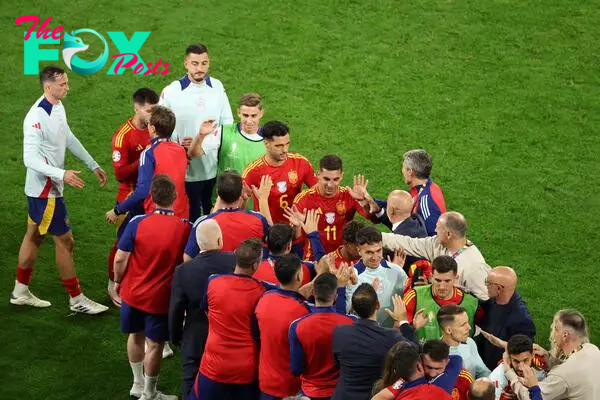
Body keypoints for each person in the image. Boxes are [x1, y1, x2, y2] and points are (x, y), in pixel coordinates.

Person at [11, 65, 108, 314]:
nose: (67, 88)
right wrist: (62, 174)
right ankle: (77, 300)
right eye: (62, 84)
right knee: (66, 241)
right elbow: (29, 160)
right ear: (48, 87)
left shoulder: (57, 106)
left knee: (34, 235)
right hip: (45, 192)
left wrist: (92, 163)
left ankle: (20, 291)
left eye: (67, 83)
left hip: (45, 189)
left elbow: (68, 136)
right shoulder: (35, 118)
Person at [114, 175, 191, 400]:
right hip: (160, 299)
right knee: (156, 344)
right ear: (175, 198)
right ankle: (149, 393)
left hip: (132, 293)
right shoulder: (184, 227)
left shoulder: (137, 222)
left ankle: (137, 383)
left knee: (135, 335)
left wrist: (118, 281)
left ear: (152, 197)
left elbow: (120, 258)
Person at [188, 239, 276, 400]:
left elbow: (206, 309)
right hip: (246, 367)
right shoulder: (264, 290)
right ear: (256, 265)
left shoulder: (214, 282)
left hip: (214, 364)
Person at [159, 43, 234, 221]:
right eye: (195, 63)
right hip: (184, 169)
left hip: (212, 166)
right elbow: (159, 128)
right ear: (186, 63)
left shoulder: (217, 87)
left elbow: (227, 123)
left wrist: (203, 144)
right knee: (188, 218)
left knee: (213, 215)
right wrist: (177, 146)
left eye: (204, 63)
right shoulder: (172, 91)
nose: (200, 68)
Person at [168, 219, 236, 398]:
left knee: (190, 382)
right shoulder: (234, 261)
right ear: (220, 241)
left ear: (198, 244)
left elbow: (176, 309)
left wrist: (175, 337)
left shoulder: (183, 271)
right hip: (228, 336)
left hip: (195, 337)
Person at [107, 87, 158, 307]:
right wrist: (147, 157)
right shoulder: (122, 136)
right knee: (123, 243)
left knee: (146, 242)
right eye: (149, 110)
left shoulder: (153, 128)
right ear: (136, 107)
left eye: (155, 110)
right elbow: (119, 174)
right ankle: (112, 284)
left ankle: (134, 281)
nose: (152, 114)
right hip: (130, 197)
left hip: (149, 195)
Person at [331, 283, 424, 400]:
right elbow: (416, 350)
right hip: (374, 396)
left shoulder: (339, 332)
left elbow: (337, 363)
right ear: (378, 305)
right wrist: (403, 322)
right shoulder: (391, 336)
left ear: (353, 307)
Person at [105, 105, 191, 223]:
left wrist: (117, 210)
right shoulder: (181, 150)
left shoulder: (149, 154)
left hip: (159, 215)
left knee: (129, 237)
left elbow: (142, 191)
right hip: (182, 215)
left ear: (153, 129)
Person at [382, 211, 490, 300]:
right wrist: (377, 237)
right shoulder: (438, 244)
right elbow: (408, 243)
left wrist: (457, 291)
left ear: (448, 234)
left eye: (438, 228)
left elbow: (485, 301)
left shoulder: (475, 266)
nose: (435, 231)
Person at [505, 309, 600, 400]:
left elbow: (531, 397)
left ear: (565, 335)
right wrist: (549, 358)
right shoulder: (592, 349)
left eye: (556, 328)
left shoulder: (561, 376)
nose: (552, 330)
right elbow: (572, 369)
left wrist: (510, 374)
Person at [293, 155, 376, 257]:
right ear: (318, 175)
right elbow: (294, 237)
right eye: (326, 179)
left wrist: (363, 201)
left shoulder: (349, 195)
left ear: (341, 176)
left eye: (335, 179)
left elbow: (374, 218)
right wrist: (297, 226)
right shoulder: (303, 200)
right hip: (313, 257)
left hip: (343, 256)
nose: (331, 185)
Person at [254, 254, 312, 399]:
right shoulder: (302, 311)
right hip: (290, 387)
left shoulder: (264, 300)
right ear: (299, 277)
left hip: (266, 382)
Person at [289, 273, 355, 399]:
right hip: (340, 392)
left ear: (313, 292)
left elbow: (296, 368)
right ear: (336, 296)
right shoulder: (351, 323)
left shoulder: (297, 326)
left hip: (310, 392)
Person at [183, 170, 271, 260]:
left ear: (218, 193)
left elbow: (187, 258)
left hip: (215, 271)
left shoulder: (203, 223)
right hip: (250, 272)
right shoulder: (258, 219)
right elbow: (274, 241)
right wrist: (262, 199)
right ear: (241, 192)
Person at [242, 120, 318, 223]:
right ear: (266, 144)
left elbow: (318, 193)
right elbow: (240, 202)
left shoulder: (301, 163)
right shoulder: (253, 171)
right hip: (268, 229)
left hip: (295, 226)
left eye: (287, 144)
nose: (285, 150)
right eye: (279, 146)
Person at [343, 227, 407, 327]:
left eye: (378, 251)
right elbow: (346, 312)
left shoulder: (397, 271)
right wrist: (352, 287)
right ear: (359, 251)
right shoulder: (352, 276)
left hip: (392, 333)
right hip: (366, 333)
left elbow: (409, 297)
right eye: (369, 252)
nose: (375, 257)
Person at [188, 92, 265, 176]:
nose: (249, 121)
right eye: (245, 115)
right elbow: (193, 154)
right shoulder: (223, 131)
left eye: (253, 116)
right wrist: (201, 136)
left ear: (261, 113)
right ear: (238, 112)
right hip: (226, 189)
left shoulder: (269, 138)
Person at [403, 256, 479, 340]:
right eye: (438, 280)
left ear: (456, 278)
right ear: (431, 277)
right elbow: (398, 331)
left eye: (447, 281)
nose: (442, 287)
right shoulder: (414, 296)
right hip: (423, 352)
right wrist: (413, 327)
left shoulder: (471, 303)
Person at [476, 266, 536, 370]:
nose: (486, 286)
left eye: (488, 283)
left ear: (499, 288)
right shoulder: (496, 301)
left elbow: (523, 353)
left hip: (499, 373)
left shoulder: (521, 319)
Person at [371, 341, 462, 400]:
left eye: (438, 368)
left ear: (447, 362)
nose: (432, 373)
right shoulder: (405, 381)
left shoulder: (455, 365)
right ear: (420, 360)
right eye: (428, 367)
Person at [253, 214, 323, 287]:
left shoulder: (255, 267)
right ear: (289, 247)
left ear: (267, 240)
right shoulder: (305, 269)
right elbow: (322, 265)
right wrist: (314, 235)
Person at [400, 149, 446, 236]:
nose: (402, 171)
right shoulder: (425, 188)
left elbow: (433, 238)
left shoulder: (426, 201)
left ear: (410, 172)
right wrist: (372, 201)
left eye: (403, 167)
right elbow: (397, 208)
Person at [438, 304, 490, 379]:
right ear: (448, 330)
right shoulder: (435, 353)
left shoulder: (470, 342)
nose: (469, 327)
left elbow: (483, 372)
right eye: (463, 325)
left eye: (467, 322)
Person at [487, 334, 546, 400]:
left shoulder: (540, 366)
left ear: (532, 355)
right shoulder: (498, 377)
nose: (521, 368)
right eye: (516, 361)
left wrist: (520, 396)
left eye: (525, 360)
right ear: (508, 358)